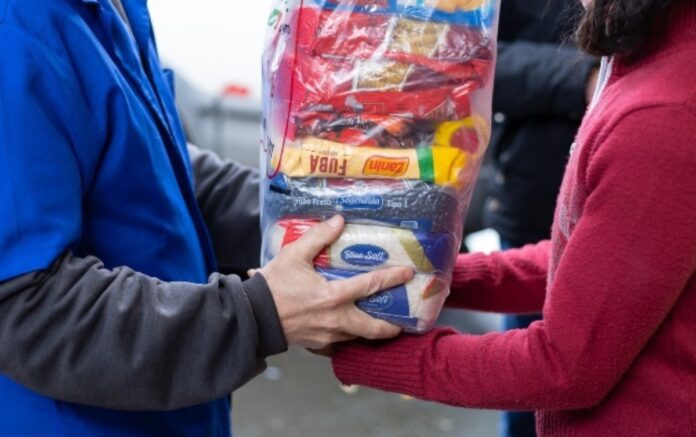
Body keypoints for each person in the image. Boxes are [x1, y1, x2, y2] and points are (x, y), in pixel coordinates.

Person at [0, 0, 410, 435]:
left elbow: (155, 171)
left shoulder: (111, 10)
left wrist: (315, 221)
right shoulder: (16, 29)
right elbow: (25, 307)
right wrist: (259, 314)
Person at [328, 0, 696, 435]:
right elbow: (587, 264)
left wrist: (354, 351)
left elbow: (562, 366)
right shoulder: (652, 63)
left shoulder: (662, 114)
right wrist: (421, 274)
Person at [485, 2, 598, 435]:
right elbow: (468, 61)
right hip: (537, 206)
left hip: (640, 206)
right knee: (532, 393)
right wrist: (579, 77)